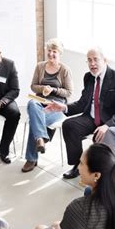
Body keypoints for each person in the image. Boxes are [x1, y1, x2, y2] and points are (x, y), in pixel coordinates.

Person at [46, 47, 115, 179]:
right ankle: (77, 165)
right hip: (91, 118)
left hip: (111, 122)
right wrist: (63, 107)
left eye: (95, 59)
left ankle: (107, 173)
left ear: (104, 60)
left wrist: (107, 125)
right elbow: (82, 103)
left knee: (105, 137)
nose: (92, 64)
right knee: (69, 125)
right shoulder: (88, 77)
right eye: (89, 60)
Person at [22, 38, 73, 172]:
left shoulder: (65, 70)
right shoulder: (40, 66)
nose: (51, 54)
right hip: (39, 103)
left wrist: (54, 90)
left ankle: (31, 158)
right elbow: (33, 86)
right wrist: (43, 89)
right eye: (49, 51)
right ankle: (41, 138)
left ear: (59, 53)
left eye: (54, 51)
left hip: (57, 106)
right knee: (32, 104)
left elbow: (69, 92)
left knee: (35, 120)